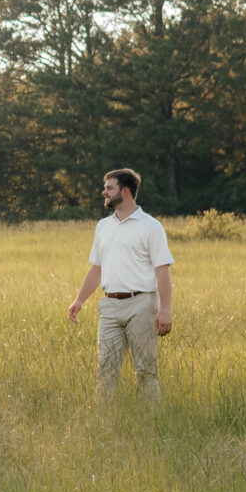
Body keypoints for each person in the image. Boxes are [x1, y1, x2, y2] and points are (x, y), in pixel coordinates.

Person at [66, 168, 172, 405]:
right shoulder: (103, 226)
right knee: (106, 368)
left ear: (125, 192)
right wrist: (79, 300)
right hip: (110, 307)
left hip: (141, 304)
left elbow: (162, 270)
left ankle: (149, 420)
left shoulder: (151, 226)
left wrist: (165, 309)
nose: (104, 192)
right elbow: (97, 269)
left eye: (109, 187)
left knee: (145, 368)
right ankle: (106, 422)